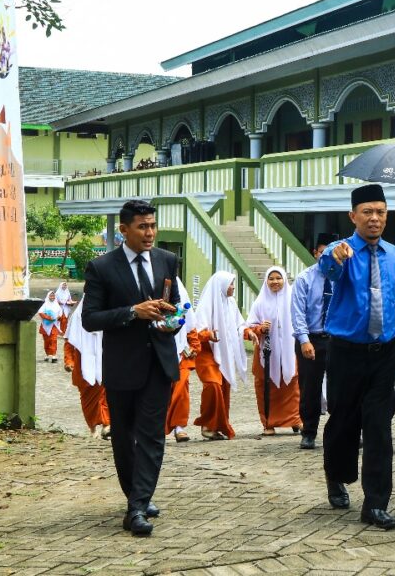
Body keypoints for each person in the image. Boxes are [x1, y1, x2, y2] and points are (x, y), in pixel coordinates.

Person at [82, 200, 183, 537]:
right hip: (122, 365)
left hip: (159, 361)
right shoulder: (101, 268)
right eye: (142, 227)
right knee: (124, 437)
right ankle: (137, 495)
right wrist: (131, 312)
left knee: (153, 435)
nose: (150, 233)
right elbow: (90, 318)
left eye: (152, 225)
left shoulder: (168, 260)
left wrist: (172, 322)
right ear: (124, 230)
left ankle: (137, 507)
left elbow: (176, 310)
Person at [320, 184, 395, 530]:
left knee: (378, 428)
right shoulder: (339, 250)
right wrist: (335, 260)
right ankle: (337, 474)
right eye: (368, 212)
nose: (375, 219)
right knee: (343, 421)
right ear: (353, 216)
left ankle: (375, 503)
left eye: (381, 212)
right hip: (345, 353)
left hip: (384, 355)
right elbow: (327, 271)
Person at [291, 233, 337, 450]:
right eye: (322, 253)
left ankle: (342, 431)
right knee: (310, 388)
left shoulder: (342, 277)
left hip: (337, 340)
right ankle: (308, 432)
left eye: (331, 254)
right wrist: (303, 340)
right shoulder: (304, 278)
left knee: (341, 387)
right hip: (311, 339)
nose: (326, 258)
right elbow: (298, 312)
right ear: (315, 253)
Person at [191, 271, 248, 441]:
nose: (233, 288)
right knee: (213, 385)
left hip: (224, 352)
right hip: (207, 353)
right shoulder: (206, 305)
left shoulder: (230, 304)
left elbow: (239, 326)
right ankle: (207, 424)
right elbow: (196, 332)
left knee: (224, 388)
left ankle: (217, 426)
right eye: (230, 284)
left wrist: (249, 332)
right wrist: (208, 334)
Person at [246, 266, 301, 436]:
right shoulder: (260, 302)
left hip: (289, 350)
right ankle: (268, 422)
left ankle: (295, 420)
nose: (275, 282)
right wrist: (260, 329)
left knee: (293, 386)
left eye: (278, 278)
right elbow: (247, 328)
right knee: (265, 388)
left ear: (285, 280)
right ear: (266, 281)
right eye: (271, 279)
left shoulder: (294, 299)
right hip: (267, 353)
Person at [64, 296, 111, 440]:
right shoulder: (77, 319)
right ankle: (92, 428)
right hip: (82, 366)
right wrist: (69, 361)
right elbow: (69, 342)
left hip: (103, 363)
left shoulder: (105, 315)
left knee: (105, 396)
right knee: (88, 400)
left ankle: (107, 425)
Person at [165, 279, 199, 442]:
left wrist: (194, 345)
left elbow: (190, 323)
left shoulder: (180, 291)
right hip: (157, 348)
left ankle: (180, 426)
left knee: (182, 387)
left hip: (181, 350)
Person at [58, 281, 79, 373]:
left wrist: (70, 302)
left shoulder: (67, 292)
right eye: (63, 284)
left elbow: (69, 300)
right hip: (60, 309)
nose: (65, 286)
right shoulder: (77, 315)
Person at [36, 290, 62, 363]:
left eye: (53, 296)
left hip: (54, 325)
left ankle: (54, 355)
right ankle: (48, 354)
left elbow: (60, 314)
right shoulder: (45, 304)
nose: (52, 297)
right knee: (46, 341)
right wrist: (49, 317)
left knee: (53, 340)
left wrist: (58, 318)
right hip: (45, 325)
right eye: (51, 296)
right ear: (48, 296)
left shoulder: (57, 305)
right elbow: (40, 312)